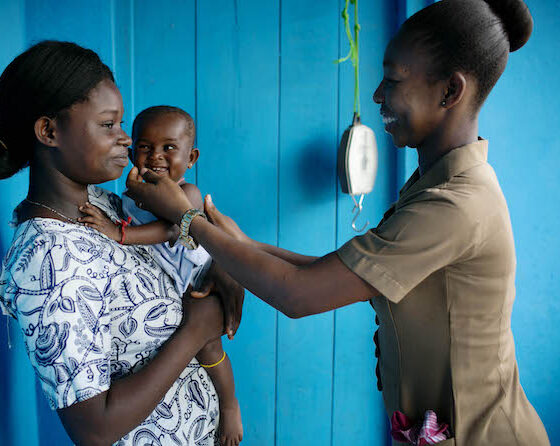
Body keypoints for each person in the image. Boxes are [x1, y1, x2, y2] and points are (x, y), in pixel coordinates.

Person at [125, 0, 550, 444]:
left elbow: (298, 293)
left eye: (393, 79)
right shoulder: (431, 184)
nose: (377, 95)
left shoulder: (455, 205)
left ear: (449, 92)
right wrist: (241, 243)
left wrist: (188, 218)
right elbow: (333, 271)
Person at [0, 40, 243, 446]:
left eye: (121, 124)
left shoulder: (102, 204)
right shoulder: (47, 261)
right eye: (108, 125)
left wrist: (222, 263)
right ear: (49, 131)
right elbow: (94, 429)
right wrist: (195, 329)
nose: (127, 140)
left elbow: (177, 240)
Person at [78, 105, 243, 446]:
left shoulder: (189, 194)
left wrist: (119, 234)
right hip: (173, 283)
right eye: (144, 146)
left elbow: (169, 230)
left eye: (169, 147)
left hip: (198, 280)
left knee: (209, 346)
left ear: (191, 157)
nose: (155, 156)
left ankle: (230, 404)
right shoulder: (129, 196)